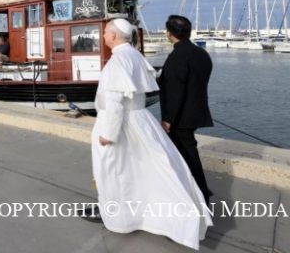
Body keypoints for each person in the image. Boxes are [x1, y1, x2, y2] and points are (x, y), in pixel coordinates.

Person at [87, 18, 211, 250]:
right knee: (145, 171)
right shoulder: (135, 55)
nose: (102, 36)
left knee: (117, 171)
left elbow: (114, 101)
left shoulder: (117, 61)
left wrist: (108, 134)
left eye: (105, 33)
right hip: (140, 121)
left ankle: (120, 218)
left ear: (113, 36)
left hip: (121, 125)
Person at [158, 14, 215, 205]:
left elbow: (176, 91)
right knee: (189, 155)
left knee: (187, 158)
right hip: (196, 111)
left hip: (180, 117)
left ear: (169, 33)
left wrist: (168, 119)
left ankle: (200, 196)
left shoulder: (177, 56)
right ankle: (198, 192)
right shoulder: (201, 53)